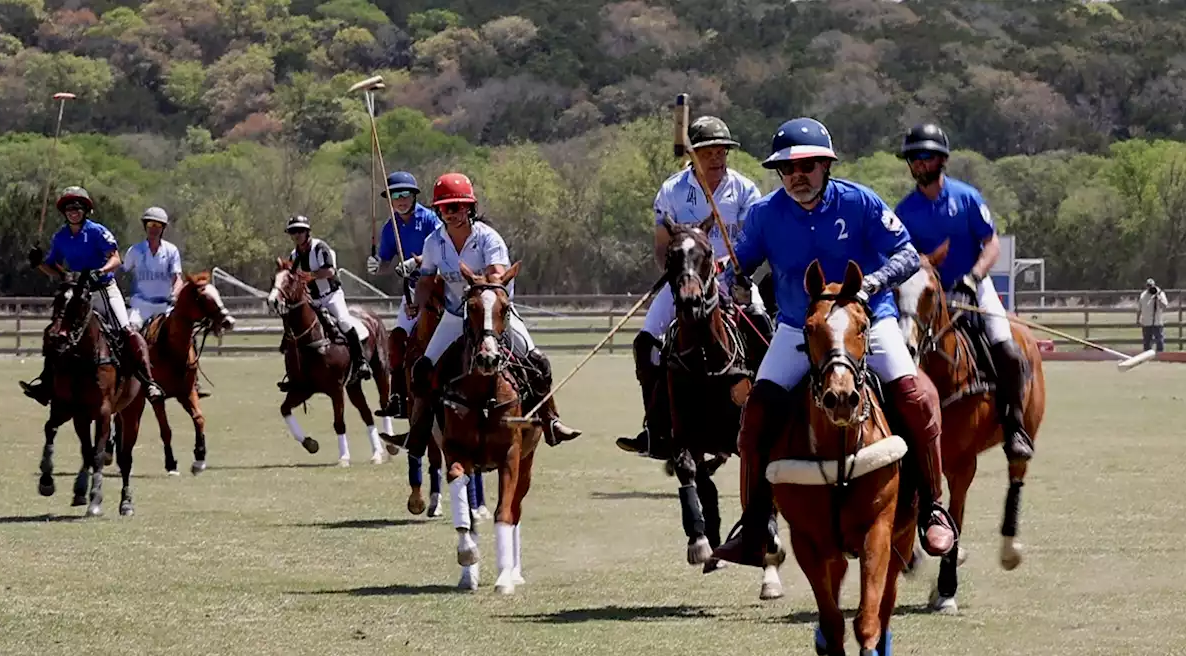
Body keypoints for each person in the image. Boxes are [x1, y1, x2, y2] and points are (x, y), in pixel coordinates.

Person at [710, 118, 956, 568]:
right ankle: (753, 524)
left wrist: (873, 283)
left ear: (826, 166)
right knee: (757, 412)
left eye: (806, 166)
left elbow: (904, 252)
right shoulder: (766, 214)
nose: (796, 176)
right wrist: (727, 277)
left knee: (915, 398)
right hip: (797, 327)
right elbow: (739, 263)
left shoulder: (859, 202)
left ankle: (932, 508)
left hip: (865, 321)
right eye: (787, 169)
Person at [617, 115, 772, 458]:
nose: (717, 158)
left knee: (763, 326)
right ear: (693, 154)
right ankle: (656, 428)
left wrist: (733, 272)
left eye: (722, 151)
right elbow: (662, 244)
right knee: (646, 342)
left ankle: (769, 412)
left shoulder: (745, 190)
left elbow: (753, 241)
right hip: (685, 282)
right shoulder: (672, 191)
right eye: (709, 152)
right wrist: (679, 275)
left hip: (732, 278)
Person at [401, 172, 580, 453]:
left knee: (537, 362)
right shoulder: (434, 243)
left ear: (469, 208)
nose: (453, 213)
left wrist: (476, 286)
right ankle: (418, 431)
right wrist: (418, 302)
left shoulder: (488, 239)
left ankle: (550, 420)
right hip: (454, 315)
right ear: (438, 210)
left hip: (493, 314)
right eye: (446, 208)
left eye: (459, 206)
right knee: (422, 369)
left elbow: (497, 278)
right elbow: (426, 280)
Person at [893, 122, 1034, 463]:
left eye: (925, 157)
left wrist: (973, 277)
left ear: (942, 160)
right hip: (927, 292)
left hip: (972, 285)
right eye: (913, 159)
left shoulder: (966, 197)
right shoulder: (904, 211)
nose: (918, 164)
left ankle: (1014, 427)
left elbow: (991, 244)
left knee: (1007, 348)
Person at [19, 186, 165, 404]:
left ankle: (149, 381)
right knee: (56, 334)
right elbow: (55, 270)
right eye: (69, 208)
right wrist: (38, 263)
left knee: (126, 330)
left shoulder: (97, 231)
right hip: (78, 295)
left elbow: (116, 259)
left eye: (77, 208)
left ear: (85, 210)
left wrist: (102, 270)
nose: (73, 212)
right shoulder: (60, 237)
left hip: (104, 290)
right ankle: (46, 384)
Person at [365, 171, 442, 417]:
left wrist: (418, 261)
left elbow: (445, 251)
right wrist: (377, 266)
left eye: (405, 193)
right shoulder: (391, 228)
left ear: (414, 195)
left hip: (441, 290)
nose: (400, 199)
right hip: (412, 292)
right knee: (396, 340)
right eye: (394, 195)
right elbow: (387, 262)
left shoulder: (431, 220)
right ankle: (398, 396)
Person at [122, 206, 210, 399]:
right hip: (141, 304)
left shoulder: (171, 251)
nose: (154, 228)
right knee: (128, 333)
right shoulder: (135, 251)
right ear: (145, 226)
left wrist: (177, 292)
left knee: (186, 332)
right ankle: (125, 378)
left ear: (163, 228)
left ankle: (194, 380)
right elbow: (122, 271)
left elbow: (177, 277)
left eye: (158, 225)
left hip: (165, 304)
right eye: (151, 224)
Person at [284, 214, 371, 383]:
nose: (296, 235)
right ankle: (295, 373)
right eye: (293, 232)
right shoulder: (293, 256)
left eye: (300, 231)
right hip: (311, 300)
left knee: (344, 321)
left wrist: (309, 276)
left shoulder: (320, 248)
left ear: (307, 232)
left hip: (330, 296)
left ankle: (361, 362)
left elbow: (330, 271)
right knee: (294, 327)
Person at [1137, 277, 1167, 352]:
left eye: (1151, 286)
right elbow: (1139, 308)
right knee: (1147, 342)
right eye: (1148, 286)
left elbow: (1164, 306)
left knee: (1159, 341)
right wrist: (1138, 319)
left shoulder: (1160, 293)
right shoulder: (1143, 295)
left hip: (1157, 322)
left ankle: (1160, 357)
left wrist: (1158, 298)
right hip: (1146, 322)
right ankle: (1147, 357)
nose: (1149, 287)